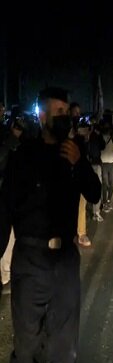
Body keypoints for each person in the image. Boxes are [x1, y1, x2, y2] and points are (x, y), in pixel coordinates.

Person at [0, 86, 101, 363]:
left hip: (65, 263)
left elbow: (95, 193)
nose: (63, 118)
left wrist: (79, 164)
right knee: (27, 347)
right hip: (30, 262)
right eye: (56, 113)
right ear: (42, 116)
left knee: (63, 347)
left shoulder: (73, 153)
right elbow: (4, 209)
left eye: (65, 112)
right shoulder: (23, 157)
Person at [0, 102, 23, 295]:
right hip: (4, 193)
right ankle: (5, 273)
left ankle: (6, 272)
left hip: (7, 192)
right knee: (7, 234)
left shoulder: (6, 136)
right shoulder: (6, 139)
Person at [69, 103, 92, 247]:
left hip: (80, 170)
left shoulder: (82, 128)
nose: (77, 115)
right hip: (67, 171)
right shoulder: (66, 128)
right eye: (74, 112)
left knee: (82, 203)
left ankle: (81, 233)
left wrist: (87, 137)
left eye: (79, 112)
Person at [100, 120, 113, 213]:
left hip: (110, 162)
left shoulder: (112, 137)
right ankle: (104, 204)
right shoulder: (100, 137)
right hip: (104, 163)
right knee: (105, 184)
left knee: (112, 183)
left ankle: (108, 201)